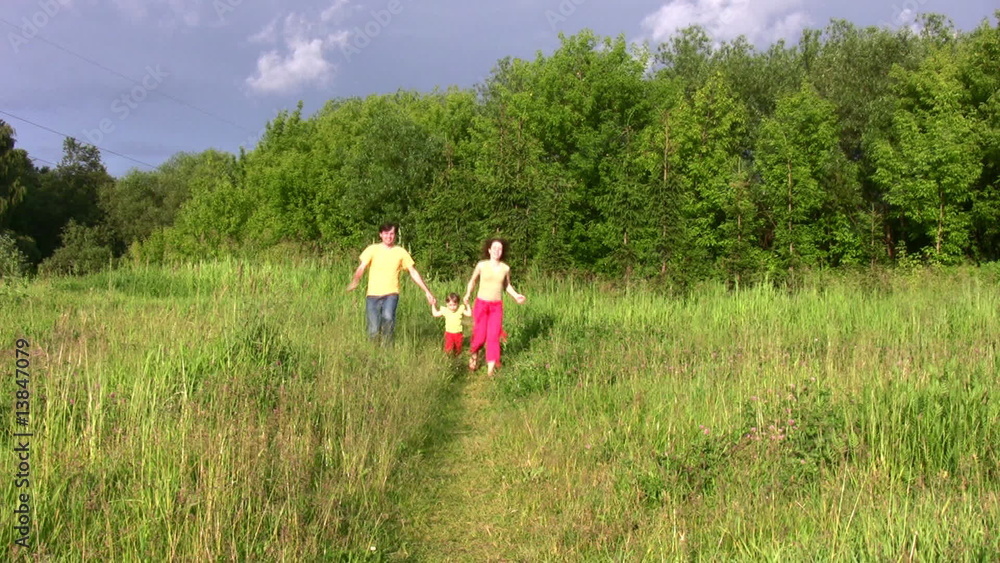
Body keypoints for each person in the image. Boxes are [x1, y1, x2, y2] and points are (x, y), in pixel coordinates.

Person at [346, 223, 435, 342]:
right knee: (373, 328)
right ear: (381, 235)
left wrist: (427, 291)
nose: (389, 236)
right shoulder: (372, 249)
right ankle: (373, 353)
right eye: (386, 233)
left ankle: (387, 351)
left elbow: (413, 272)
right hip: (373, 294)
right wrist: (355, 281)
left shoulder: (400, 252)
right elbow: (362, 267)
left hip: (391, 294)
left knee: (388, 318)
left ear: (395, 235)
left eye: (392, 233)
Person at [463, 238, 526, 376]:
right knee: (480, 336)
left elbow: (507, 286)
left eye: (500, 248)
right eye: (495, 248)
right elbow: (473, 281)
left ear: (502, 252)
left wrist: (516, 296)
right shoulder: (481, 265)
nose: (497, 250)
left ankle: (491, 370)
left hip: (496, 307)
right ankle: (474, 353)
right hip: (481, 304)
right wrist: (468, 294)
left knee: (493, 337)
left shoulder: (505, 268)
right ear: (489, 250)